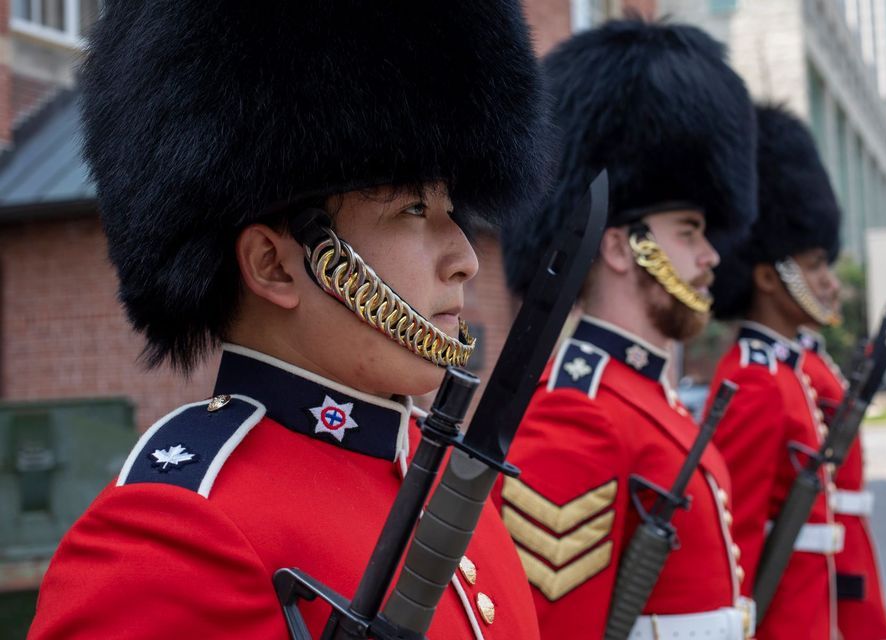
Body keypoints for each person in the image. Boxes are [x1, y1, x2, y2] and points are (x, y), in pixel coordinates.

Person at [28, 2, 550, 638]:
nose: (466, 258)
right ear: (274, 265)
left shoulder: (435, 472)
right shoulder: (175, 532)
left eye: (453, 209)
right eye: (414, 208)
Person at [493, 19, 758, 639]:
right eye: (689, 231)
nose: (710, 255)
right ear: (620, 246)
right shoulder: (576, 414)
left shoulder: (650, 400)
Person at [706, 104, 846, 640]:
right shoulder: (757, 382)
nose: (828, 282)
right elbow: (738, 541)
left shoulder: (784, 373)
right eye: (813, 265)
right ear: (767, 275)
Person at [797, 325, 886, 639]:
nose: (832, 286)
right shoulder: (797, 364)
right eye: (815, 272)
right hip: (823, 535)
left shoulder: (810, 357)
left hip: (844, 531)